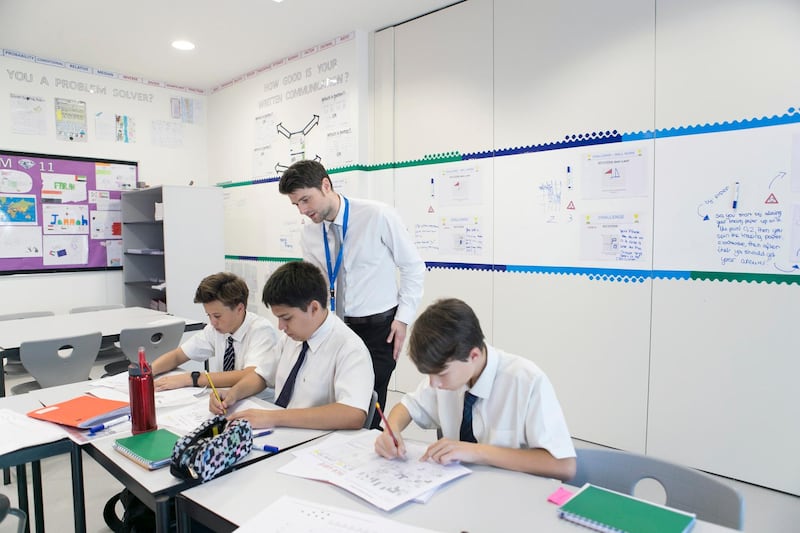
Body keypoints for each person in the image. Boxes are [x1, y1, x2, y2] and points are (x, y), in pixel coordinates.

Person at [278, 159, 425, 428]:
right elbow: (316, 285)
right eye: (296, 204)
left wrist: (403, 319)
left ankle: (370, 457)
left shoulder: (377, 216)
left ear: (325, 185)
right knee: (335, 401)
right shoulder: (309, 234)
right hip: (335, 328)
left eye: (306, 200)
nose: (302, 210)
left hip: (380, 329)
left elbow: (413, 267)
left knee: (368, 405)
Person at [374, 298, 576, 481]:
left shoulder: (526, 381)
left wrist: (476, 452)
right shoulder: (449, 374)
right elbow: (408, 407)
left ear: (474, 356)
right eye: (429, 375)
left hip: (512, 497)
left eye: (441, 374)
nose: (434, 384)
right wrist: (392, 432)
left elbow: (563, 466)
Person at [210, 261, 374, 430]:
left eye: (286, 318)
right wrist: (232, 394)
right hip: (283, 433)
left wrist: (273, 417)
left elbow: (353, 414)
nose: (281, 326)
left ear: (314, 308)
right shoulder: (291, 338)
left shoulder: (349, 348)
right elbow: (262, 375)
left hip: (315, 443)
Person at [151, 272, 278, 391]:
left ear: (239, 308)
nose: (213, 322)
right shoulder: (216, 329)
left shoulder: (261, 330)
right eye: (209, 315)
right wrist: (147, 372)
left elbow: (250, 375)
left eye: (217, 316)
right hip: (225, 399)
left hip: (257, 403)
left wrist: (193, 378)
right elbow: (178, 356)